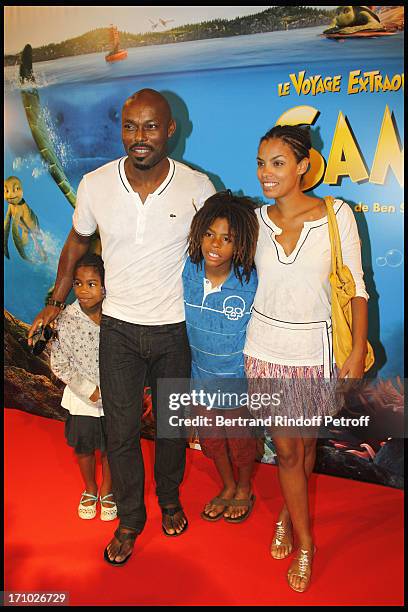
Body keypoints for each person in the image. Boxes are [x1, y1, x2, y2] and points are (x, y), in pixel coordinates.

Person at [28, 88, 216, 566]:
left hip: (176, 330)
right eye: (130, 126)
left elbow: (219, 251)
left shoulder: (197, 187)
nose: (140, 137)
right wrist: (56, 298)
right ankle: (131, 519)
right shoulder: (95, 184)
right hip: (120, 331)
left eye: (151, 126)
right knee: (120, 431)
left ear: (171, 129)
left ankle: (169, 498)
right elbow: (78, 238)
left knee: (173, 427)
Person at [244, 125, 369, 592]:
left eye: (277, 163)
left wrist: (356, 349)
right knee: (290, 449)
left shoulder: (337, 215)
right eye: (260, 163)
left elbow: (356, 286)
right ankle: (307, 540)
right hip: (264, 351)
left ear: (303, 166)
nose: (266, 173)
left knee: (306, 446)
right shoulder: (253, 220)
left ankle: (287, 512)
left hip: (315, 354)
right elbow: (213, 247)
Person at [182, 191, 259, 523]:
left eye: (226, 239)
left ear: (239, 244)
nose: (215, 244)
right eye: (209, 234)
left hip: (237, 382)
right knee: (213, 442)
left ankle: (243, 489)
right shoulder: (187, 270)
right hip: (201, 379)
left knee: (241, 444)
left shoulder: (250, 281)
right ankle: (227, 486)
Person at [50, 254, 117, 521]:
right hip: (84, 401)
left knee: (113, 446)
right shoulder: (67, 319)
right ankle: (90, 489)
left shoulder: (117, 315)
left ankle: (108, 490)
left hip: (116, 397)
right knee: (85, 447)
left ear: (104, 286)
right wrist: (90, 389)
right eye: (78, 283)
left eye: (91, 284)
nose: (83, 290)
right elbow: (59, 363)